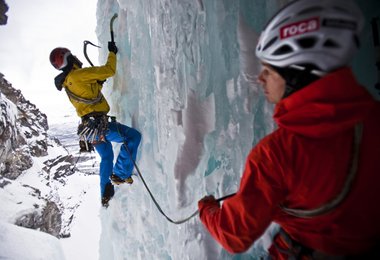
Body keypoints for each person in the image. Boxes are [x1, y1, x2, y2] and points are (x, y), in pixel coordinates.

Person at [198, 0, 380, 258]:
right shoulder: (373, 118)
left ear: (297, 76)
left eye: (269, 71)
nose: (261, 78)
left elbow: (233, 234)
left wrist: (207, 209)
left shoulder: (276, 156)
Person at [49, 42, 141, 207]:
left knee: (106, 157)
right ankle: (120, 175)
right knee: (132, 136)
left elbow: (88, 91)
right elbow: (109, 70)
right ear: (69, 58)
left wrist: (98, 82)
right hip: (100, 125)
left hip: (89, 130)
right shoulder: (79, 74)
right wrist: (112, 53)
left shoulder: (68, 82)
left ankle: (105, 192)